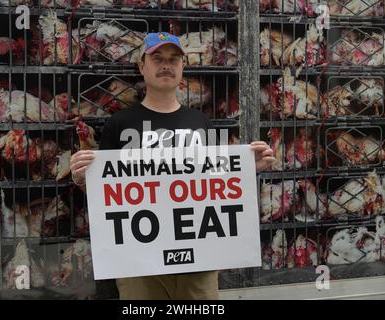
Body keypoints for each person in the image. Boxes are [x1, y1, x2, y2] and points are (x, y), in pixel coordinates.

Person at [69, 32, 275, 300]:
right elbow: (106, 197)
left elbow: (214, 186)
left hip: (198, 262)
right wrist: (84, 178)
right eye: (157, 59)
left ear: (182, 68)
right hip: (140, 266)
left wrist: (247, 170)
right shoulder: (119, 123)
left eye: (173, 59)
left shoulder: (200, 121)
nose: (166, 65)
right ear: (142, 67)